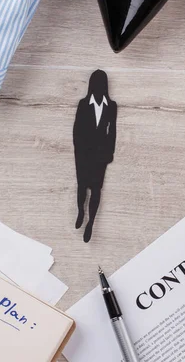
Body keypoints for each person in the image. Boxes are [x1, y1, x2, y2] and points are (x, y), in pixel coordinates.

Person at [73, 70, 118, 243]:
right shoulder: (83, 104)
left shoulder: (111, 106)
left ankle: (91, 222)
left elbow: (112, 131)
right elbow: (77, 129)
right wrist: (79, 150)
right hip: (83, 152)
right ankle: (80, 211)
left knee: (96, 189)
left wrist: (110, 152)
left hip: (101, 154)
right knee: (82, 185)